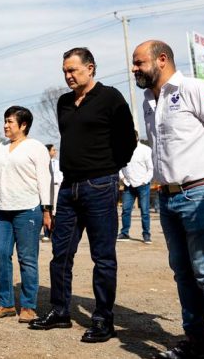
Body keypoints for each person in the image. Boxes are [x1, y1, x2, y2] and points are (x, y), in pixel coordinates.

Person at [133, 40, 204, 359]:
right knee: (183, 272)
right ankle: (196, 342)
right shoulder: (148, 101)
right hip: (168, 199)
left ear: (162, 59)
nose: (134, 69)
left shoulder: (197, 88)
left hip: (203, 192)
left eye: (139, 63)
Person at [29, 48, 136, 344]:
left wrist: (109, 168)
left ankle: (103, 319)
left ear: (90, 68)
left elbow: (128, 140)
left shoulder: (110, 98)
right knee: (60, 253)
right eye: (65, 71)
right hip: (68, 188)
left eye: (73, 70)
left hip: (100, 185)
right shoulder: (64, 102)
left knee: (102, 256)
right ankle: (60, 311)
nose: (68, 75)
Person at [0, 106, 52, 323]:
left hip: (28, 210)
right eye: (5, 121)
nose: (5, 125)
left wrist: (47, 210)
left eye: (10, 122)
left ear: (23, 125)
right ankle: (5, 303)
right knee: (0, 254)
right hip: (2, 211)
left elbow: (45, 179)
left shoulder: (36, 147)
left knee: (27, 259)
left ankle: (28, 307)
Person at [117, 132, 154, 244]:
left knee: (145, 211)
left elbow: (151, 169)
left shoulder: (145, 150)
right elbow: (119, 166)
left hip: (143, 185)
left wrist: (144, 181)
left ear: (137, 137)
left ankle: (146, 235)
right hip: (128, 185)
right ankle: (124, 233)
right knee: (125, 210)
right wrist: (123, 179)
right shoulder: (122, 150)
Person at [44, 144, 62, 242]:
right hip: (46, 187)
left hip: (57, 187)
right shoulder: (43, 162)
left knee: (55, 210)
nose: (55, 152)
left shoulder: (58, 163)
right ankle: (47, 233)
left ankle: (54, 232)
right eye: (53, 150)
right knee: (47, 209)